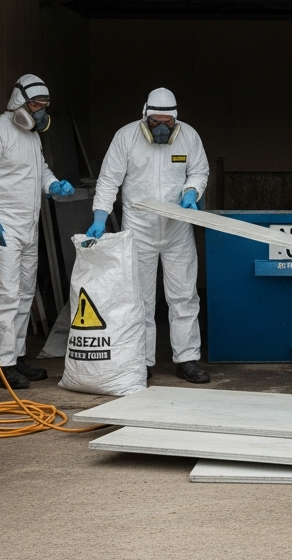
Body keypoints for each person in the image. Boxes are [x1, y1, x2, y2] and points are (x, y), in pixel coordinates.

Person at [88, 88, 211, 383]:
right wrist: (100, 216)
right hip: (138, 228)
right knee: (139, 299)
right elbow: (108, 180)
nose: (161, 129)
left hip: (177, 228)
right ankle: (140, 361)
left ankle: (187, 359)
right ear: (145, 115)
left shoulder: (189, 136)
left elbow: (199, 171)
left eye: (167, 123)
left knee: (184, 296)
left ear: (175, 119)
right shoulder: (126, 137)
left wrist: (191, 192)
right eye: (155, 122)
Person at [0, 74, 74, 389]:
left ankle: (16, 355)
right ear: (19, 102)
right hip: (5, 227)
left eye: (44, 106)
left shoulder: (32, 136)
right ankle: (0, 365)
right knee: (6, 296)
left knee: (24, 294)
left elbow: (40, 170)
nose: (40, 112)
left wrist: (53, 185)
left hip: (28, 226)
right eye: (36, 105)